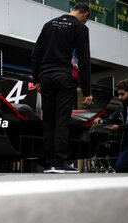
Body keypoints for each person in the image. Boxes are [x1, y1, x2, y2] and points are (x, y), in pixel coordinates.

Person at [31, 2, 93, 173]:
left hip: (46, 77)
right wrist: (87, 91)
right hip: (65, 77)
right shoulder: (80, 27)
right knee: (61, 121)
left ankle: (50, 163)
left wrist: (37, 79)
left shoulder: (49, 24)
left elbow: (35, 54)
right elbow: (84, 60)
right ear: (85, 15)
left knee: (48, 120)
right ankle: (59, 163)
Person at [94, 79, 128, 172]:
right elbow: (110, 120)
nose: (119, 97)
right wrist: (101, 121)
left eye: (122, 94)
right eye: (119, 94)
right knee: (120, 166)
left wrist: (119, 128)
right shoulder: (122, 107)